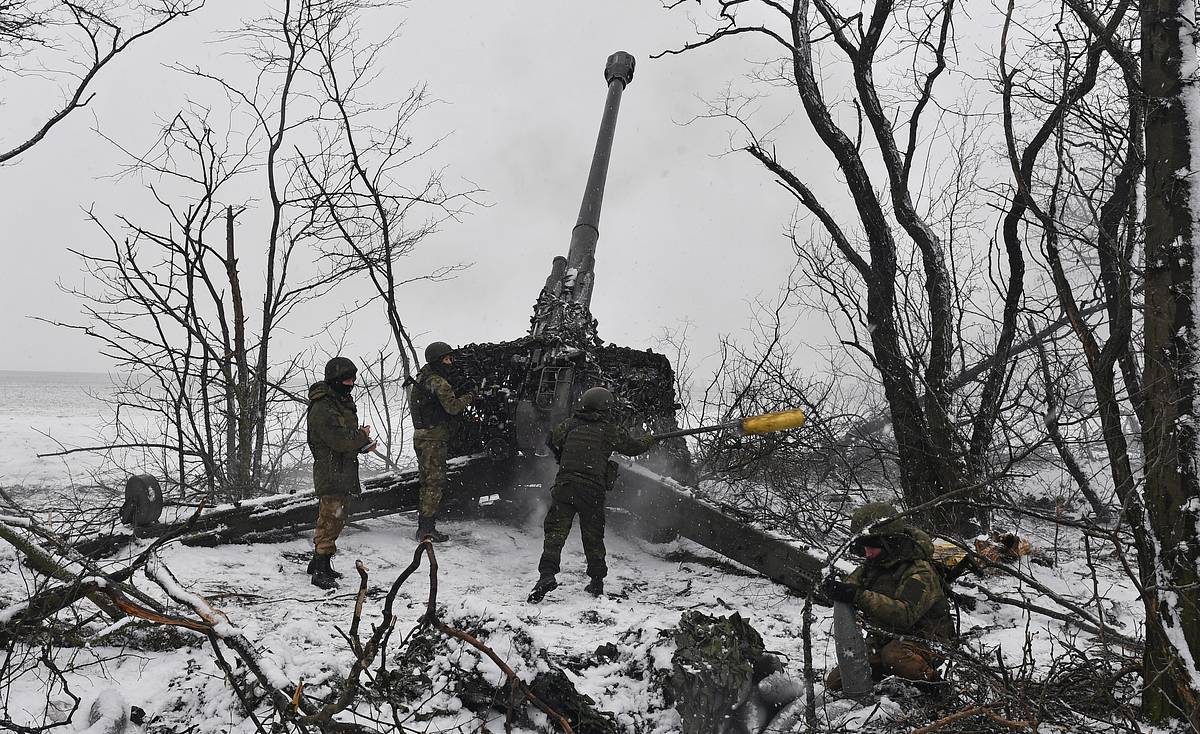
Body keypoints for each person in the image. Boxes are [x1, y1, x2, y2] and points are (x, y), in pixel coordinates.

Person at [527, 386, 659, 603]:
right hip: (591, 491)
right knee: (593, 537)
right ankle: (596, 582)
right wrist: (649, 440)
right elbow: (633, 447)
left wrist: (561, 458)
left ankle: (546, 575)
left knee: (555, 535)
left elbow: (551, 439)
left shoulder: (570, 425)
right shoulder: (609, 430)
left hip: (565, 486)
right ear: (605, 407)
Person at [820, 502, 953, 691]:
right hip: (885, 639)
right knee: (838, 681)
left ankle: (937, 688)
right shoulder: (874, 564)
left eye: (872, 546)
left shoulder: (920, 570)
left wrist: (858, 596)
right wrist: (833, 588)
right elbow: (850, 586)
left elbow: (904, 615)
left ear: (889, 541)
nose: (867, 552)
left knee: (894, 656)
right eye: (863, 546)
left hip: (928, 640)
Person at [306, 356, 375, 590]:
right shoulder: (324, 406)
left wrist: (361, 444)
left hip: (343, 468)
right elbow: (337, 440)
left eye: (353, 378)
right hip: (331, 470)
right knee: (330, 517)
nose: (351, 383)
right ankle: (319, 568)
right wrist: (361, 436)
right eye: (346, 379)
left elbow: (344, 439)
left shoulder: (339, 401)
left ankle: (320, 563)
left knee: (336, 518)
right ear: (335, 379)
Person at [408, 341, 474, 542]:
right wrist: (470, 396)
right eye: (446, 359)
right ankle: (426, 529)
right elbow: (453, 407)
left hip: (422, 436)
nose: (450, 362)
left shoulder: (422, 378)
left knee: (426, 482)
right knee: (434, 484)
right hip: (434, 439)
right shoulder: (438, 382)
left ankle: (425, 526)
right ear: (438, 360)